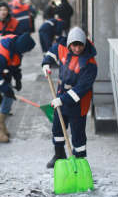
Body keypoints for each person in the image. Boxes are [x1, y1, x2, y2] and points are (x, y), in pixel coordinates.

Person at [41, 27, 97, 168]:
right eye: (74, 45)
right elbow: (53, 51)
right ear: (69, 44)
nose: (77, 49)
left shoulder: (90, 64)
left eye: (80, 45)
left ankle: (79, 160)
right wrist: (46, 63)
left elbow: (81, 88)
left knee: (77, 133)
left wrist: (62, 100)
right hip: (60, 96)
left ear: (84, 44)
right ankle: (59, 154)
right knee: (58, 128)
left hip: (78, 104)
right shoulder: (63, 47)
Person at [0, 33, 36, 143]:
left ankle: (1, 123)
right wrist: (6, 89)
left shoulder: (17, 48)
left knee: (9, 97)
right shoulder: (2, 54)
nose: (28, 52)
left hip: (2, 72)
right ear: (22, 48)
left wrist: (18, 78)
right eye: (27, 50)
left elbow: (15, 64)